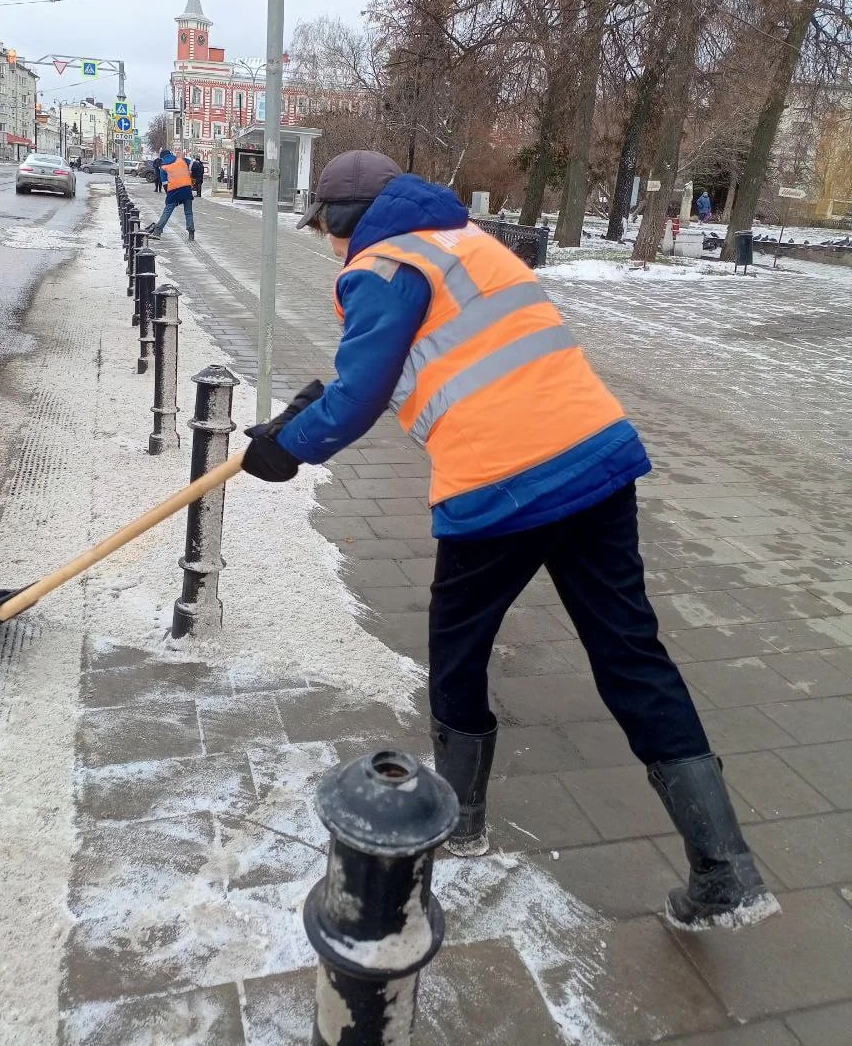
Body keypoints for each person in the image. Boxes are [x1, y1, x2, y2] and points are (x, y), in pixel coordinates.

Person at [239, 150, 780, 933]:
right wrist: (300, 415)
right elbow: (414, 362)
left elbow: (359, 399)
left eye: (324, 227)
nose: (326, 244)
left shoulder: (381, 265)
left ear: (343, 220)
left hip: (501, 485)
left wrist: (289, 449)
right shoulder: (469, 243)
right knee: (630, 652)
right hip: (596, 463)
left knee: (458, 647)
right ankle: (725, 869)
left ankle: (461, 819)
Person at [146, 149, 195, 241]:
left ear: (162, 157)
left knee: (167, 211)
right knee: (188, 212)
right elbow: (193, 164)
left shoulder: (163, 167)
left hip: (174, 191)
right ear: (170, 154)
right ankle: (191, 232)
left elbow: (164, 183)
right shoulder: (182, 160)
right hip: (187, 189)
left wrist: (169, 195)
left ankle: (158, 231)